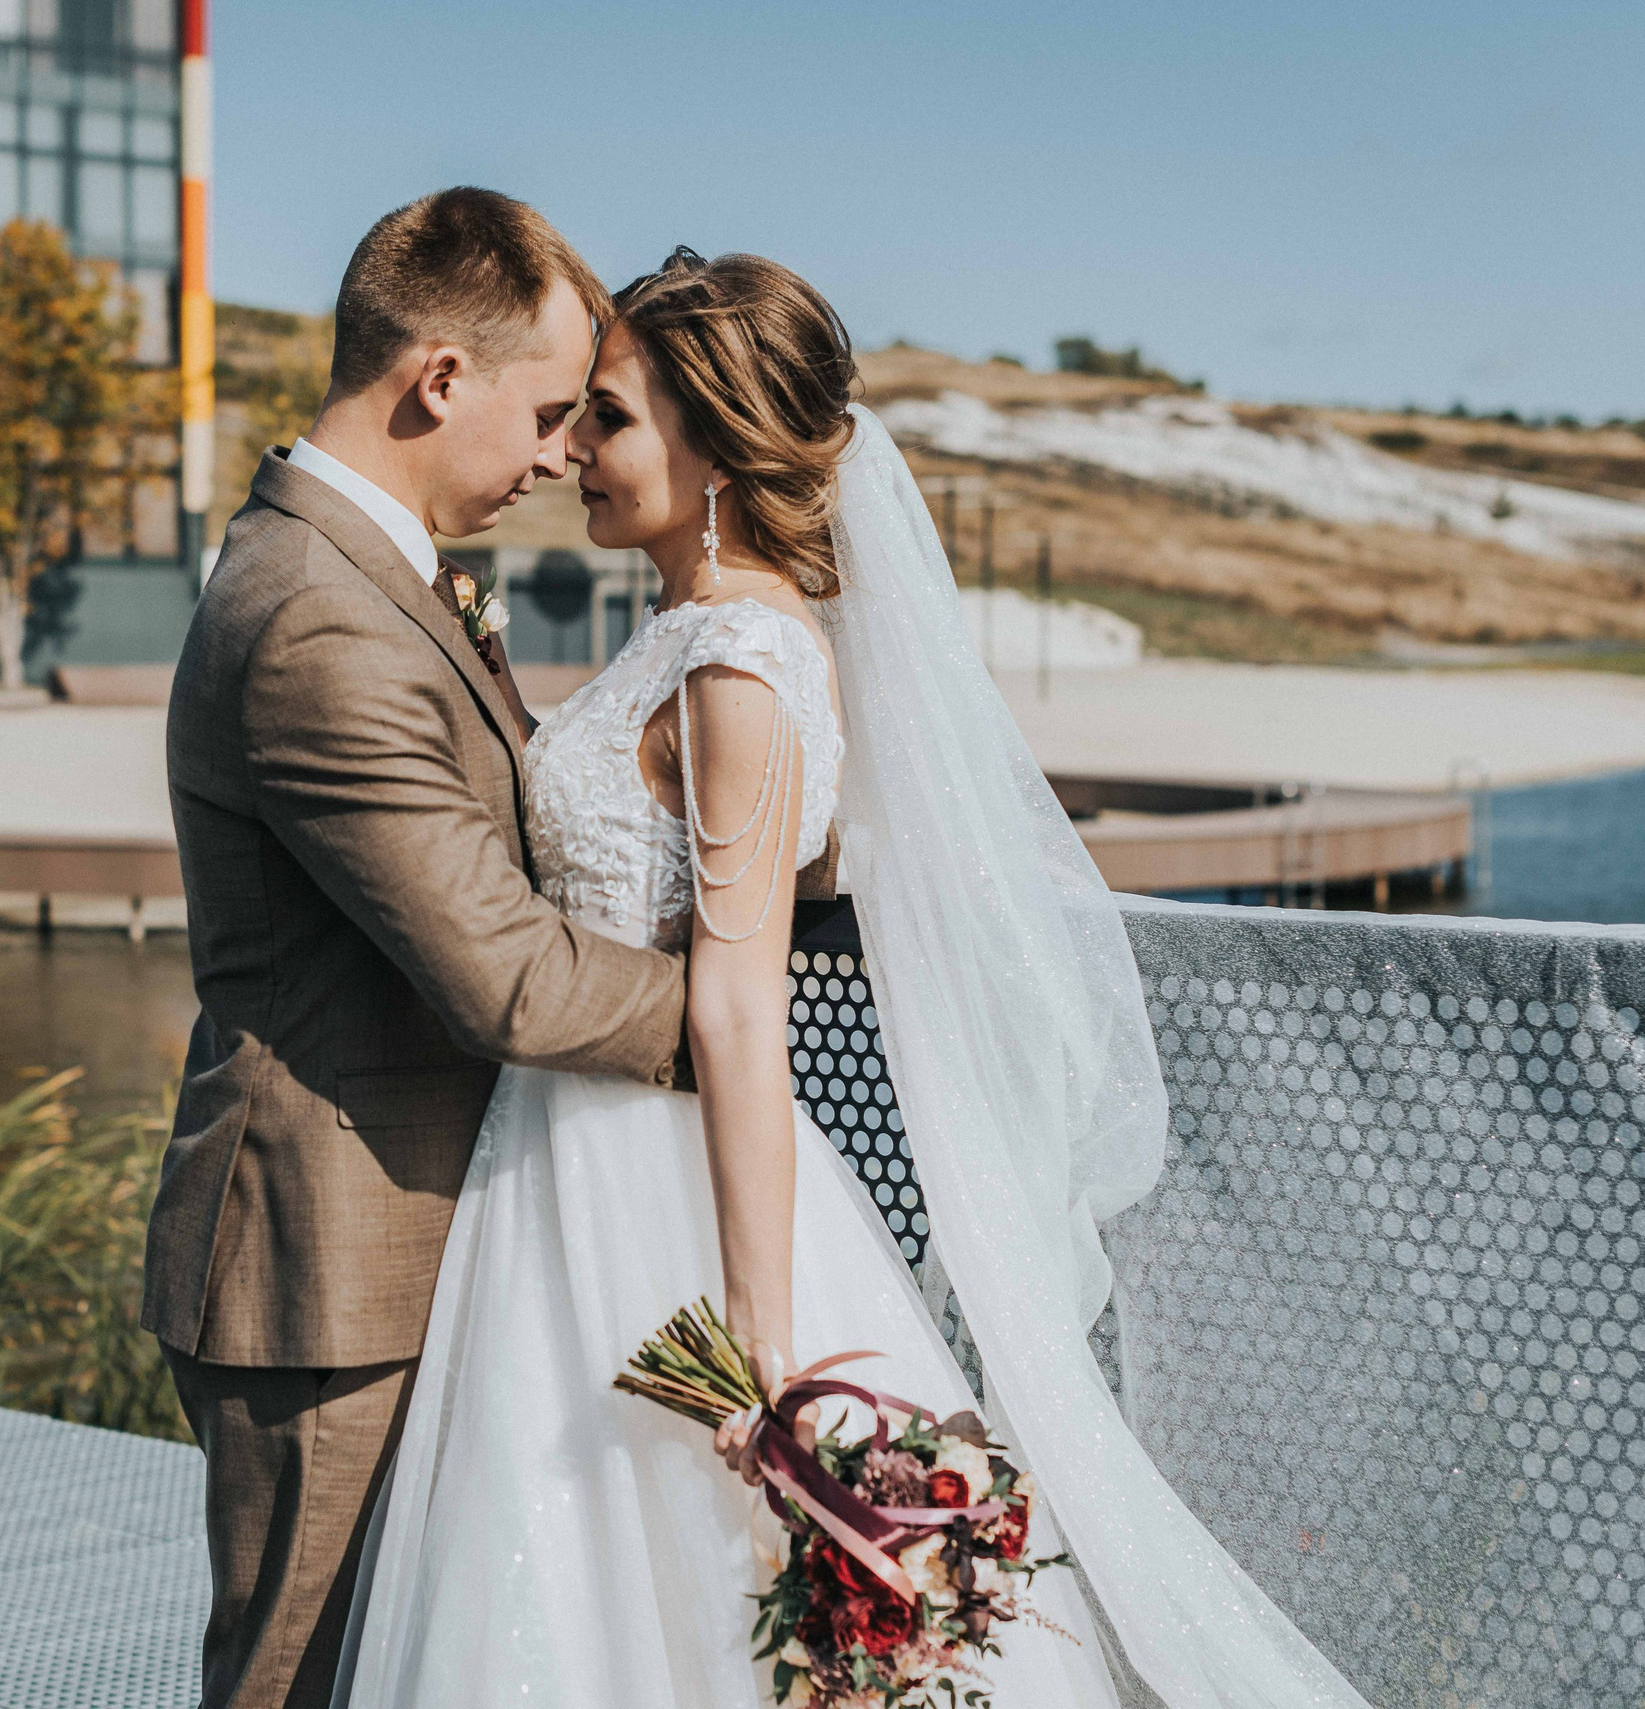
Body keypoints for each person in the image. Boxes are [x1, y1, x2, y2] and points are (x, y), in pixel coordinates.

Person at [331, 250, 1378, 1709]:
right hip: (560, 1159)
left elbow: (742, 996)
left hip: (643, 1184)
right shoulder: (696, 637)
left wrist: (758, 1331)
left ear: (713, 442)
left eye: (613, 418)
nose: (573, 449)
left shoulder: (741, 663)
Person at [145, 188, 695, 1709]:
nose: (555, 455)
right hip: (326, 1272)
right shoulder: (320, 616)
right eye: (541, 413)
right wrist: (739, 1014)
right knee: (296, 1685)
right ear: (437, 378)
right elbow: (501, 968)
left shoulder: (364, 575)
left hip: (402, 1250)